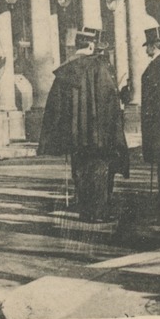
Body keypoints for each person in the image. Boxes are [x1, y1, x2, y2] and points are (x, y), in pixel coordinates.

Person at [37, 27, 129, 223]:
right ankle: (99, 213)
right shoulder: (98, 67)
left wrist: (61, 135)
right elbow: (108, 100)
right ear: (90, 45)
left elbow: (55, 107)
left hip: (75, 136)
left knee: (79, 170)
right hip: (98, 134)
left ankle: (85, 211)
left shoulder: (64, 71)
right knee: (99, 170)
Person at [140, 25, 160, 216]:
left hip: (158, 124)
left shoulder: (157, 66)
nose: (146, 50)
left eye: (148, 46)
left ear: (154, 46)